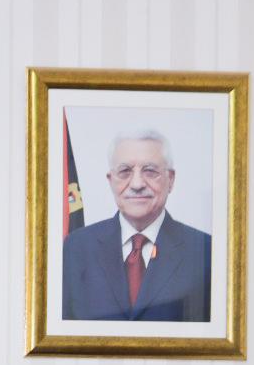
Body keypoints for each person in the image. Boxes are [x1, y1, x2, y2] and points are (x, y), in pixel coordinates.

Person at [61, 130, 212, 322]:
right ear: (111, 180)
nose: (137, 184)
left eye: (150, 171)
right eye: (125, 171)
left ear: (171, 179)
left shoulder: (205, 251)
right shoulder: (76, 247)